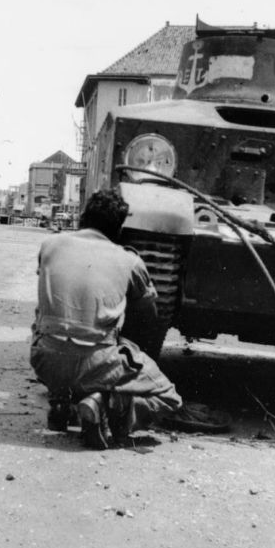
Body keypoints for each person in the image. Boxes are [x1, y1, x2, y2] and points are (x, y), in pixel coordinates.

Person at [29, 188, 184, 449]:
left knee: (50, 313)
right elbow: (150, 316)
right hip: (96, 362)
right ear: (119, 228)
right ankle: (109, 405)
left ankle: (62, 399)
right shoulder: (129, 260)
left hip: (44, 360)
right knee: (170, 398)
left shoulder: (49, 246)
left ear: (83, 217)